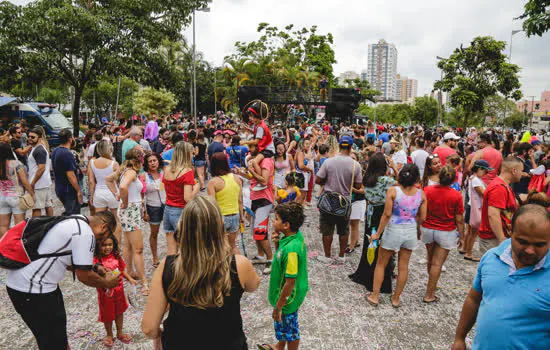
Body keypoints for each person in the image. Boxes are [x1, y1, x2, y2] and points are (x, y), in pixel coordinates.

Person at [141, 196, 261, 350]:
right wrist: (226, 243)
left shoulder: (167, 266)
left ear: (182, 229)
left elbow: (149, 328)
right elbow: (253, 285)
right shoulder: (239, 265)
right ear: (220, 226)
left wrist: (159, 334)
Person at [6, 211, 119, 350]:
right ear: (103, 227)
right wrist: (108, 283)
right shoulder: (85, 233)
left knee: (54, 337)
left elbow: (63, 259)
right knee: (52, 341)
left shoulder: (74, 219)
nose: (100, 241)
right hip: (34, 290)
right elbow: (84, 276)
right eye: (104, 236)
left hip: (24, 285)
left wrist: (95, 267)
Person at [451, 204, 550, 350]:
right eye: (522, 242)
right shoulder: (491, 257)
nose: (530, 250)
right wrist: (459, 338)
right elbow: (474, 299)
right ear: (510, 232)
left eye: (539, 244)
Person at [367, 164, 427, 307]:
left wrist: (377, 234)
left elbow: (387, 214)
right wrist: (417, 228)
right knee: (403, 266)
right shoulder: (421, 194)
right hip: (410, 230)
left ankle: (375, 296)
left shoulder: (393, 191)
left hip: (393, 229)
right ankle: (396, 298)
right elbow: (423, 217)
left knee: (381, 263)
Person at [258, 202, 308, 350]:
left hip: (288, 298)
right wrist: (277, 243)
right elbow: (282, 258)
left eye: (277, 219)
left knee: (291, 330)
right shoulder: (293, 236)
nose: (274, 221)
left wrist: (278, 307)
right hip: (286, 295)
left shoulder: (292, 250)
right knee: (283, 326)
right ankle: (279, 347)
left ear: (286, 225)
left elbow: (290, 282)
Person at [349, 153, 396, 293]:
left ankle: (366, 272)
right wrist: (394, 168)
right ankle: (379, 276)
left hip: (371, 212)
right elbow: (403, 183)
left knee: (370, 243)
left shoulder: (367, 178)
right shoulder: (386, 180)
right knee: (381, 245)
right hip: (382, 212)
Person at [106, 148, 148, 296]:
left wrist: (117, 195)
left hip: (128, 211)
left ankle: (129, 270)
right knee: (138, 248)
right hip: (130, 210)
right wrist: (123, 200)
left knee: (129, 245)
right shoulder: (131, 172)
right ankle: (144, 282)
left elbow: (108, 180)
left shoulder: (124, 169)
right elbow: (123, 186)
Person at [315, 136, 363, 263]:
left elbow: (318, 179)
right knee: (343, 230)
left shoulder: (328, 162)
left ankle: (327, 256)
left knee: (327, 228)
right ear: (351, 148)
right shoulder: (355, 165)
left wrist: (328, 182)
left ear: (339, 146)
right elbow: (358, 185)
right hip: (345, 202)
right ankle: (341, 256)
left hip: (328, 201)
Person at [421, 166, 465, 303]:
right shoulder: (456, 195)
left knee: (430, 259)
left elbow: (420, 210)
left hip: (428, 229)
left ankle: (432, 285)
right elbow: (459, 219)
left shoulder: (427, 190)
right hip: (446, 231)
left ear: (439, 176)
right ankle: (430, 293)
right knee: (437, 263)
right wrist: (462, 237)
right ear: (453, 180)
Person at [236, 143, 275, 274]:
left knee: (260, 232)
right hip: (256, 198)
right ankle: (260, 255)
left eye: (252, 147)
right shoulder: (257, 161)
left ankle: (270, 259)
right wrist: (241, 173)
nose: (249, 149)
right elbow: (253, 178)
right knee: (255, 230)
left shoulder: (267, 162)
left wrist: (251, 169)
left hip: (264, 199)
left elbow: (264, 181)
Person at [93, 234, 137, 347]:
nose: (107, 247)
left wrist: (130, 278)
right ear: (98, 246)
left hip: (119, 291)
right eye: (104, 245)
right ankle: (109, 334)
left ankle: (120, 332)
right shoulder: (96, 260)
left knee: (120, 311)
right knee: (107, 314)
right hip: (105, 293)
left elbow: (121, 270)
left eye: (110, 244)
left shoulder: (116, 256)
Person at [477, 156, 522, 254]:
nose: (522, 174)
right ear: (513, 170)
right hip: (493, 239)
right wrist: (501, 238)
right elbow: (493, 214)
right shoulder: (499, 187)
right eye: (521, 171)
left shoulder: (504, 185)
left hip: (497, 237)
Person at [162, 141, 200, 255]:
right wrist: (197, 188)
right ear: (186, 154)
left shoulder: (168, 169)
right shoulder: (187, 172)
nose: (193, 156)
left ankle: (170, 271)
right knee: (187, 249)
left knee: (171, 250)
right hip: (181, 211)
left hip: (168, 210)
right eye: (191, 153)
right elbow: (187, 198)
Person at [208, 152, 244, 255]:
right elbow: (240, 200)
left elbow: (212, 205)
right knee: (232, 245)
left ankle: (223, 269)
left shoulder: (213, 182)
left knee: (220, 247)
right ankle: (237, 266)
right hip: (235, 215)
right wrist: (241, 217)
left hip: (221, 217)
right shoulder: (236, 178)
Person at [88, 140, 121, 241]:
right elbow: (118, 180)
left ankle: (101, 244)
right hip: (112, 192)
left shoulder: (92, 162)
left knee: (100, 221)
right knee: (116, 220)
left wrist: (91, 196)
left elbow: (91, 181)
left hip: (99, 193)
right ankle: (117, 245)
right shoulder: (114, 164)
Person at [0, 142, 34, 237]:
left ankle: (3, 247)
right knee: (19, 225)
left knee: (2, 226)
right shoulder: (16, 164)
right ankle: (16, 246)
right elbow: (24, 181)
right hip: (16, 198)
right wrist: (32, 193)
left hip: (2, 197)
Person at [464, 160, 493, 261]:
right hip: (475, 208)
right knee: (474, 232)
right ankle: (469, 253)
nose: (486, 173)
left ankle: (465, 249)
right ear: (480, 169)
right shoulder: (476, 180)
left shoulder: (472, 178)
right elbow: (484, 193)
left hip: (470, 206)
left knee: (468, 230)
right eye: (485, 171)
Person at [142, 152, 166, 268]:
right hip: (152, 207)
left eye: (154, 160)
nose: (152, 163)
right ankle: (155, 256)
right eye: (150, 161)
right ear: (146, 164)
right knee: (154, 233)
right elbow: (142, 196)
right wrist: (144, 211)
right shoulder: (144, 176)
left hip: (166, 204)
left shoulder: (164, 172)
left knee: (171, 232)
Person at [52, 128, 83, 215]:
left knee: (68, 213)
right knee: (73, 215)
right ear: (70, 139)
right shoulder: (67, 153)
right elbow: (70, 175)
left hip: (59, 188)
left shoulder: (55, 151)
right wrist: (78, 191)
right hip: (68, 190)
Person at [27, 127, 53, 217]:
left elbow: (41, 168)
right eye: (29, 136)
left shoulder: (39, 150)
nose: (30, 138)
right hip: (44, 183)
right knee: (48, 204)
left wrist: (32, 183)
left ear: (39, 138)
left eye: (33, 137)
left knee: (37, 207)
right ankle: (51, 224)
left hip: (38, 184)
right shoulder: (38, 148)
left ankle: (36, 228)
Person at [348, 152, 366, 253]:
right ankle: (356, 241)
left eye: (353, 158)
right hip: (352, 201)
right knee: (353, 224)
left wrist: (352, 189)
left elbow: (363, 191)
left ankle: (351, 246)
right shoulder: (347, 172)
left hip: (358, 201)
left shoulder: (360, 173)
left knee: (354, 224)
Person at [295, 138, 314, 205]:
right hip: (302, 176)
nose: (308, 145)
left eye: (309, 144)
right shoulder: (300, 153)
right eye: (306, 144)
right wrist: (309, 169)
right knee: (302, 194)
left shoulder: (301, 152)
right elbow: (301, 165)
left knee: (301, 194)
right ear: (302, 144)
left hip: (302, 175)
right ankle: (295, 209)